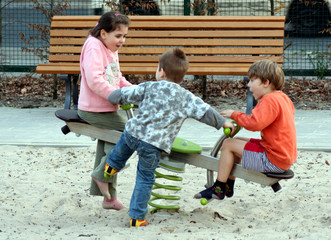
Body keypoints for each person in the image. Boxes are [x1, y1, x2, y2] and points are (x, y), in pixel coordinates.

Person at [103, 48, 234, 227]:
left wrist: (112, 97)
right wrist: (222, 123)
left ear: (162, 71)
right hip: (153, 145)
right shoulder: (185, 97)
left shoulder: (149, 86)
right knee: (145, 178)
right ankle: (136, 217)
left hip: (134, 133)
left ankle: (111, 165)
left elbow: (126, 94)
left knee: (123, 145)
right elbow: (204, 111)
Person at [195, 59, 297, 200]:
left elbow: (255, 124)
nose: (248, 85)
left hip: (272, 160)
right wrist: (243, 119)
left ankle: (218, 188)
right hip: (282, 157)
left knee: (228, 144)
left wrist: (235, 115)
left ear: (266, 83)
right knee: (237, 141)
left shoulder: (269, 100)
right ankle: (229, 184)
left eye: (252, 80)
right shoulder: (283, 98)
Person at [77, 11, 132, 210]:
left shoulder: (110, 48)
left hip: (106, 109)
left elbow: (117, 78)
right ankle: (100, 175)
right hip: (93, 110)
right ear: (103, 33)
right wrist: (117, 95)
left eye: (125, 36)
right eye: (118, 36)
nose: (122, 40)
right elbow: (95, 80)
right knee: (132, 134)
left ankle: (109, 198)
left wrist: (134, 90)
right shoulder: (94, 47)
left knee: (110, 148)